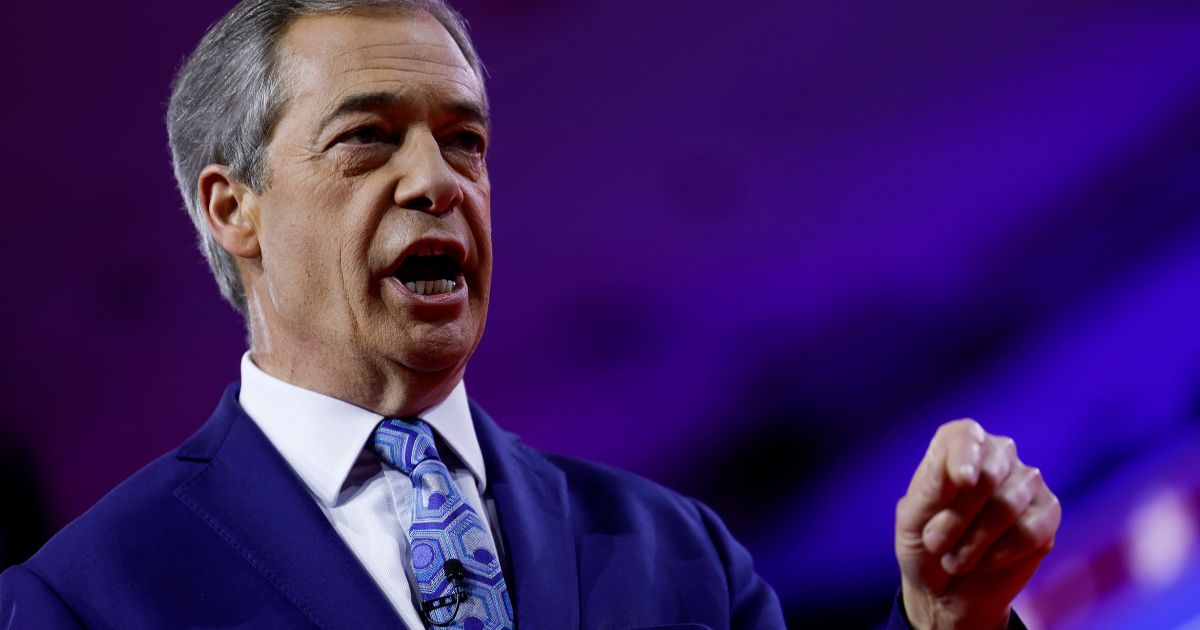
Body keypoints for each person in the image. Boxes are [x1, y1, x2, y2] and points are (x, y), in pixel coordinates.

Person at [0, 1, 1060, 628]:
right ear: (235, 208)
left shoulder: (671, 553)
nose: (437, 180)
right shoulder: (87, 601)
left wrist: (944, 623)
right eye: (369, 137)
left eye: (464, 141)